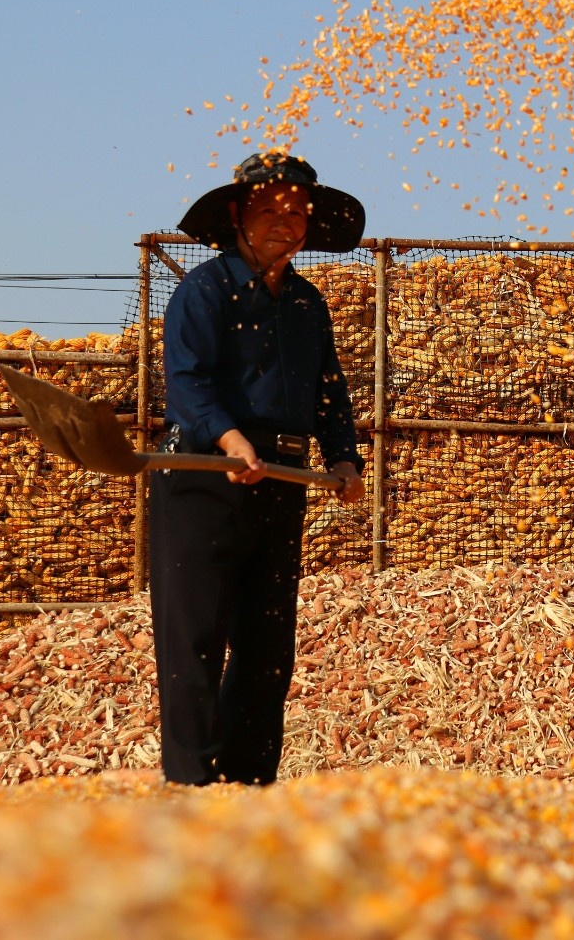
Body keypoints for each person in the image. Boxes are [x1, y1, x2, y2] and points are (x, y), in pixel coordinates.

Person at [151, 151, 368, 785]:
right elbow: (187, 383)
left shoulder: (306, 305)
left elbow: (329, 390)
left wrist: (345, 454)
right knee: (195, 635)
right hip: (201, 476)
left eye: (297, 212)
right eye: (270, 209)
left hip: (280, 480)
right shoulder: (205, 291)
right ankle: (192, 781)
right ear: (237, 216)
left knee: (268, 640)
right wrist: (229, 438)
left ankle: (249, 781)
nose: (286, 222)